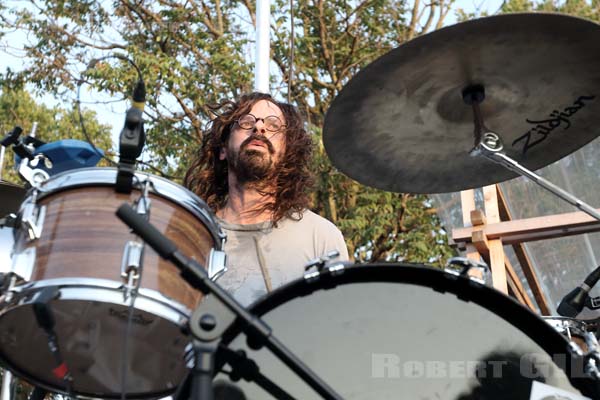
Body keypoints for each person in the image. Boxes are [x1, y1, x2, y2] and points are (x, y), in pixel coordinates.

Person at [185, 92, 349, 306]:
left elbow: (341, 326)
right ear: (223, 149)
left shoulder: (320, 237)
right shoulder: (194, 237)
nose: (259, 128)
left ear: (287, 151)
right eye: (246, 122)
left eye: (273, 125)